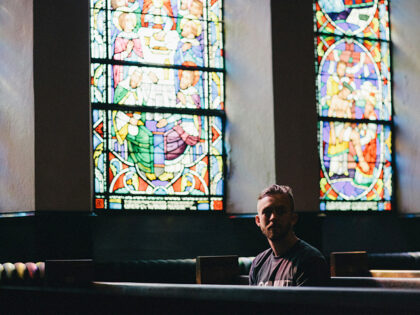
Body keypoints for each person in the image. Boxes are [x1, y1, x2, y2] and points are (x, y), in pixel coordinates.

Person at [249, 185, 329, 287]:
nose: (273, 217)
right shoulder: (258, 264)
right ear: (258, 221)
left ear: (293, 218)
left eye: (280, 211)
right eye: (267, 212)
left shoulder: (311, 261)